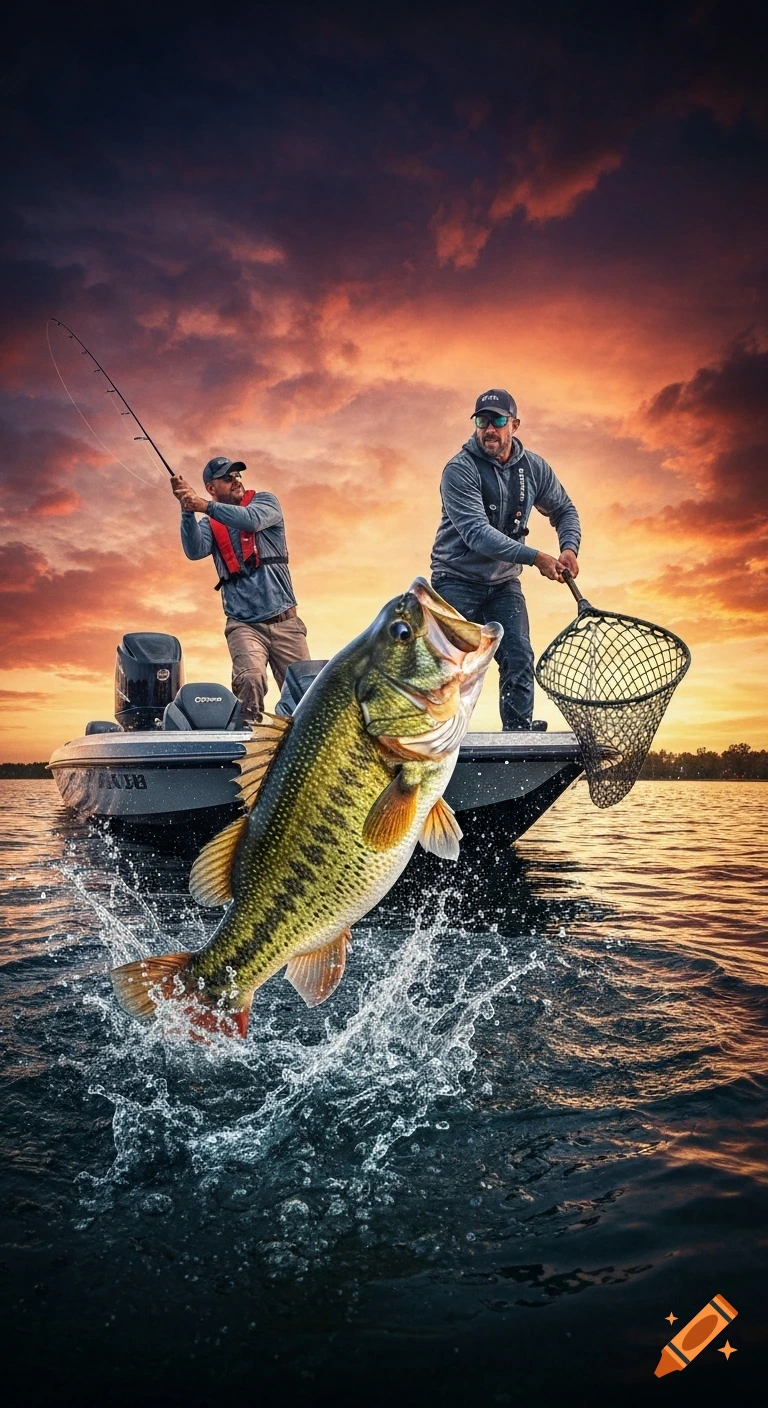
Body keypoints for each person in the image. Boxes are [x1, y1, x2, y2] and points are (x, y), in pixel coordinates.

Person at [430, 389, 581, 730]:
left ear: (514, 425)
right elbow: (477, 534)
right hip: (454, 580)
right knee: (446, 667)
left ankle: (518, 734)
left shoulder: (534, 468)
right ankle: (435, 738)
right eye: (482, 421)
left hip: (503, 585)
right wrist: (535, 557)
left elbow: (564, 510)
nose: (489, 429)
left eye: (498, 420)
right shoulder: (459, 470)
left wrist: (569, 547)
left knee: (518, 656)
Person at [171, 456, 310, 724]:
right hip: (244, 625)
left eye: (237, 475)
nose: (235, 480)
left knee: (304, 695)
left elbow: (252, 520)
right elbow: (194, 550)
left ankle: (296, 740)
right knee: (250, 678)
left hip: (286, 623)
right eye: (227, 477)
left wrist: (205, 506)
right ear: (211, 488)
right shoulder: (209, 524)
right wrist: (187, 510)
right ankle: (249, 740)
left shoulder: (265, 502)